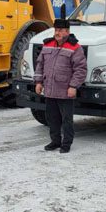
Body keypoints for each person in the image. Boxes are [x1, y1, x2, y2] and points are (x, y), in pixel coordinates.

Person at [34, 18, 87, 153]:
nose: (57, 33)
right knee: (52, 118)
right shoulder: (48, 44)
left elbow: (80, 69)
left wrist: (73, 86)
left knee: (66, 120)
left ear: (67, 32)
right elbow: (40, 64)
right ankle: (55, 141)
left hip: (65, 91)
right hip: (50, 90)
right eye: (56, 30)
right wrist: (38, 82)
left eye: (60, 30)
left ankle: (66, 143)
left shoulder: (75, 47)